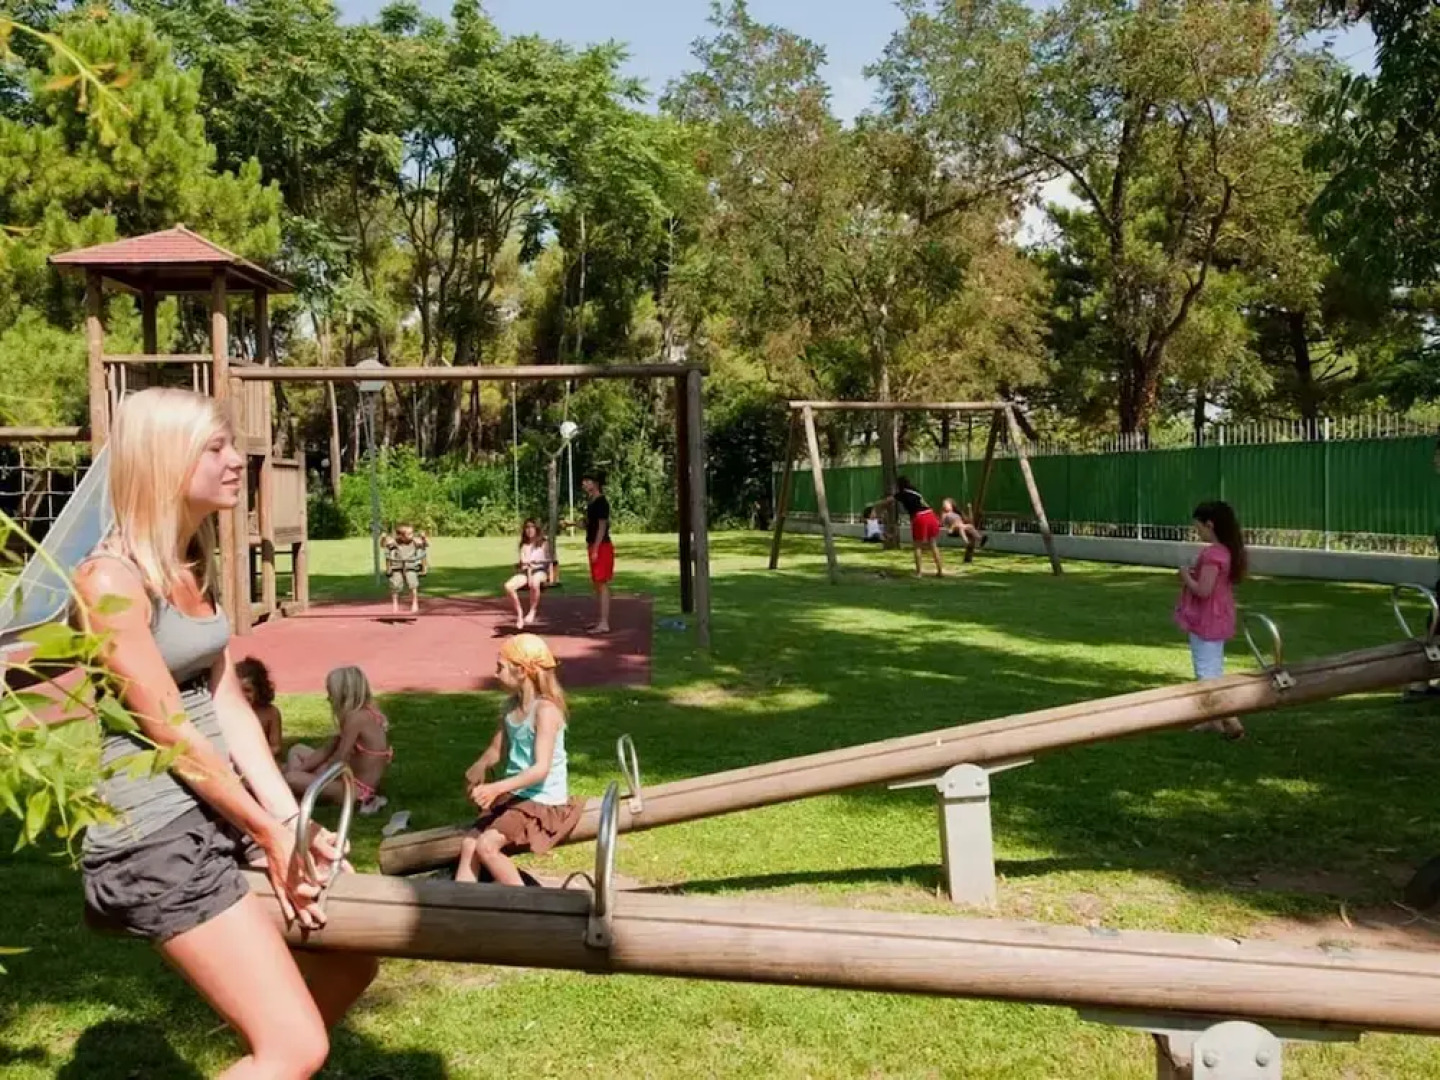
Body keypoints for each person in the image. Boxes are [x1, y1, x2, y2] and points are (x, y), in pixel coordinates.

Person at [70, 387, 376, 1079]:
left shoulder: (190, 560)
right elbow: (171, 729)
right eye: (215, 448)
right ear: (165, 459)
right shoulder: (107, 581)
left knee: (351, 960)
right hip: (154, 836)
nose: (237, 461)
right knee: (298, 1046)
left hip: (216, 807)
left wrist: (288, 819)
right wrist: (268, 834)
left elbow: (228, 703)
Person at [456, 634, 584, 885]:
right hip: (518, 796)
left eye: (500, 667)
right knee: (469, 843)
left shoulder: (546, 711)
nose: (495, 673)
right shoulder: (511, 708)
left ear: (522, 671)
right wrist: (479, 766)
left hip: (542, 801)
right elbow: (496, 750)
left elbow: (541, 769)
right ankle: (458, 907)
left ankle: (530, 905)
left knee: (487, 847)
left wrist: (496, 787)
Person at [1176, 500, 1248, 741]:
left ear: (1210, 524)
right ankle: (1211, 719)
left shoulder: (1212, 554)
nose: (1197, 531)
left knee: (1205, 672)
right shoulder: (1228, 551)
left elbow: (1203, 590)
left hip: (1206, 618)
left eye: (1198, 527)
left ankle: (1230, 717)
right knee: (1214, 667)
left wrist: (1185, 575)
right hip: (1220, 616)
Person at [284, 666, 392, 815]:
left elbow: (339, 761)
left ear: (343, 695)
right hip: (349, 778)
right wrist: (303, 770)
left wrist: (312, 775)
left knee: (291, 778)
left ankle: (290, 800)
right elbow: (328, 750)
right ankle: (294, 794)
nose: (328, 698)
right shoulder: (367, 712)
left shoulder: (355, 719)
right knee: (297, 750)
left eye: (330, 693)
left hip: (356, 790)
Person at [872, 475, 944, 577]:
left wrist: (876, 504)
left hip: (919, 517)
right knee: (933, 544)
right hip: (931, 515)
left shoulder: (902, 493)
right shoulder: (915, 491)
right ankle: (940, 571)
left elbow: (888, 501)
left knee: (917, 546)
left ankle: (919, 573)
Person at [580, 470, 613, 634]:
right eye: (584, 481)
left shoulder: (601, 502)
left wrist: (596, 549)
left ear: (595, 483)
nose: (584, 484)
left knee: (602, 583)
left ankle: (604, 623)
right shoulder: (591, 502)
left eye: (587, 481)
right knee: (597, 584)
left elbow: (602, 526)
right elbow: (590, 524)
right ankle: (600, 620)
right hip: (592, 544)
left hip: (601, 546)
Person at [503, 519, 550, 630]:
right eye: (527, 528)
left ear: (536, 529)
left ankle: (532, 610)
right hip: (526, 572)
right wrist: (528, 570)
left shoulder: (543, 543)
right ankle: (519, 613)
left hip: (540, 571)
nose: (529, 530)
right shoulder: (524, 545)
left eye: (532, 527)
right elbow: (524, 563)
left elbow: (546, 561)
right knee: (508, 586)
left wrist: (534, 566)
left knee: (534, 582)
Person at [236, 656, 283, 757]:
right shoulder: (231, 712)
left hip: (263, 760)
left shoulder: (271, 713)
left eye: (247, 690)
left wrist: (258, 757)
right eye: (238, 690)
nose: (243, 695)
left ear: (260, 689)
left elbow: (276, 746)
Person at [381, 524, 428, 615]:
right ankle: (395, 603)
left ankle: (415, 602)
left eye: (412, 533)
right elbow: (383, 545)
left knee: (412, 584)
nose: (411, 535)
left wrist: (424, 538)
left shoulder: (414, 541)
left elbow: (425, 545)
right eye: (409, 534)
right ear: (400, 536)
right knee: (395, 585)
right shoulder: (395, 542)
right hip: (397, 566)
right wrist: (383, 538)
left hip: (410, 565)